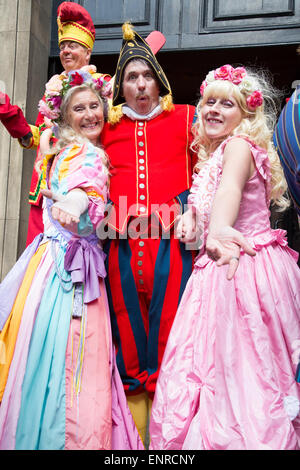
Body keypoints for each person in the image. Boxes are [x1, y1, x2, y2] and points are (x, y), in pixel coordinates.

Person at [150, 64, 300, 450]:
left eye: (227, 104)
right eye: (208, 102)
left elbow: (230, 192)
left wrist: (216, 228)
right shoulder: (213, 156)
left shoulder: (238, 147)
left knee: (246, 370)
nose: (213, 109)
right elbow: (213, 197)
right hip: (218, 268)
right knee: (216, 369)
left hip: (245, 268)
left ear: (246, 114)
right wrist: (192, 217)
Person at [0, 70, 143, 450]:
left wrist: (77, 202)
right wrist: (78, 203)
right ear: (65, 117)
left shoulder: (68, 152)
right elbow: (89, 192)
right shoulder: (87, 153)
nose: (90, 114)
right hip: (67, 273)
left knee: (43, 357)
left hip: (54, 265)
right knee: (71, 359)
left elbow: (86, 193)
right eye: (78, 109)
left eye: (95, 105)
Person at [100, 22, 197, 445]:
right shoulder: (105, 126)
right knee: (127, 342)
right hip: (120, 246)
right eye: (131, 77)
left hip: (174, 247)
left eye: (146, 76)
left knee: (173, 338)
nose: (140, 85)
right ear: (121, 86)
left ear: (160, 80)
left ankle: (171, 436)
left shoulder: (190, 118)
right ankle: (134, 439)